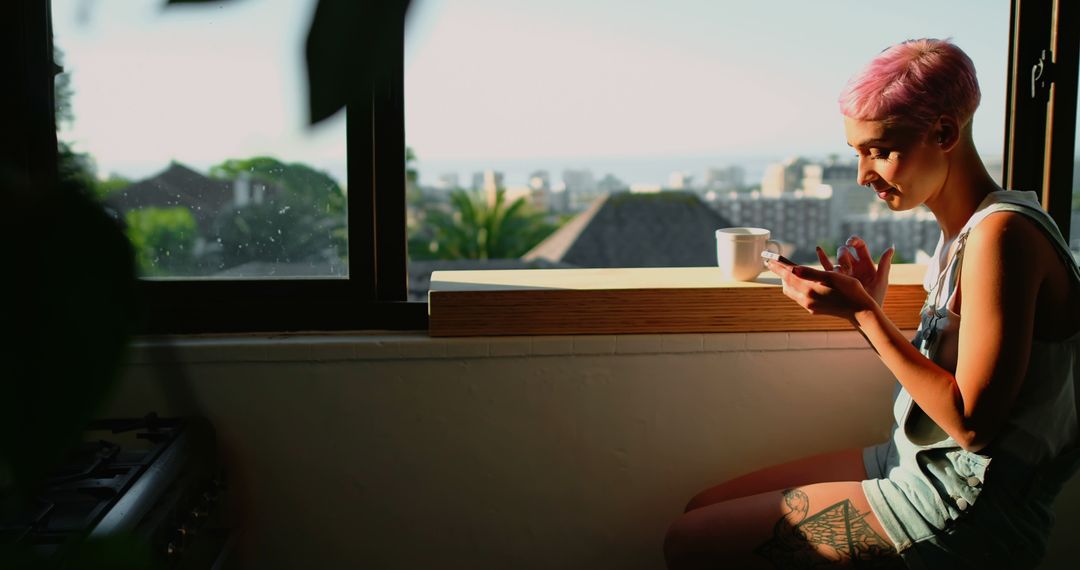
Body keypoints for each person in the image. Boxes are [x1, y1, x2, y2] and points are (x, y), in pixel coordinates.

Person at [663, 38, 1080, 569]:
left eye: (880, 150)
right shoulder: (964, 234)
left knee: (689, 541)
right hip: (913, 464)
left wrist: (864, 313)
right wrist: (868, 310)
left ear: (945, 133)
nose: (863, 175)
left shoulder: (1004, 236)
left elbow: (973, 426)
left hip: (959, 507)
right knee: (703, 510)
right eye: (857, 153)